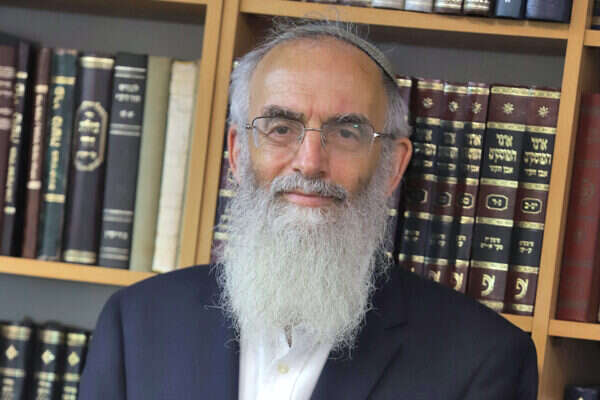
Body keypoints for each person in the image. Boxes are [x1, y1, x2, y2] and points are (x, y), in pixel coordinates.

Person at [79, 20, 538, 399]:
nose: (310, 162)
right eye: (281, 128)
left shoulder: (483, 359)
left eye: (346, 133)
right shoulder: (135, 323)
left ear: (392, 166)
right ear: (238, 154)